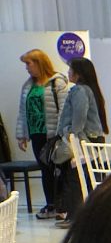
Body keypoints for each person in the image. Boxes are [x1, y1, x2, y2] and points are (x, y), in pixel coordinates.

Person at [15, 49, 68, 220]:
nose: (27, 68)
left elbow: (64, 110)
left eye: (28, 64)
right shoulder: (27, 86)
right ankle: (51, 204)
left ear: (39, 63)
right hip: (36, 134)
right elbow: (23, 112)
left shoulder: (57, 83)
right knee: (45, 169)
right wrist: (21, 135)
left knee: (57, 169)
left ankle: (62, 205)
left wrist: (60, 134)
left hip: (52, 134)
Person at [54, 56, 107, 228]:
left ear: (77, 74)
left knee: (75, 177)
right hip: (90, 139)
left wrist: (70, 135)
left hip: (82, 140)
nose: (68, 73)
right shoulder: (88, 90)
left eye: (70, 70)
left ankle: (74, 216)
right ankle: (82, 214)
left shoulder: (79, 91)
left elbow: (79, 118)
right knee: (81, 176)